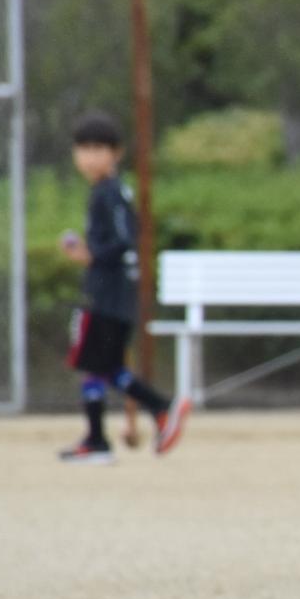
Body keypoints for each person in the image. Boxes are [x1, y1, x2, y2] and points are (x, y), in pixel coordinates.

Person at [57, 112, 190, 464]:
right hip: (112, 293)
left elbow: (123, 240)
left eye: (98, 148)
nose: (89, 156)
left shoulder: (109, 192)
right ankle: (105, 435)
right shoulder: (107, 191)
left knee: (95, 363)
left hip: (107, 295)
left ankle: (156, 410)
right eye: (83, 149)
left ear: (116, 153)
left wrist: (90, 255)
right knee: (103, 366)